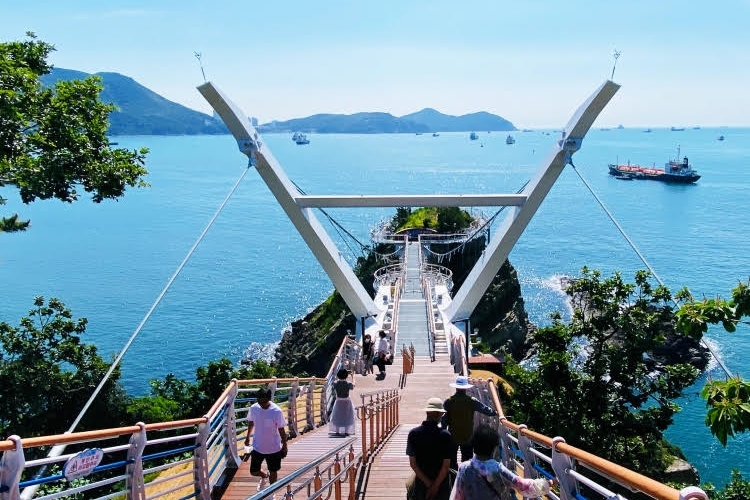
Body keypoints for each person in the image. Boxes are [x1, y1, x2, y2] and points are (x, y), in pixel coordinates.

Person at [449, 424, 553, 500]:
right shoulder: (498, 469)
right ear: (494, 448)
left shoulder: (464, 468)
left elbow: (457, 495)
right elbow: (523, 485)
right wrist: (550, 483)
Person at [442, 375, 498, 469]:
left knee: (452, 462)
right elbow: (486, 411)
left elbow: (444, 419)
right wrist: (496, 413)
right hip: (467, 435)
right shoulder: (471, 401)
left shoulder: (449, 401)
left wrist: (443, 432)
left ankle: (453, 479)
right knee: (467, 461)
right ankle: (465, 479)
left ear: (456, 387)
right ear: (466, 388)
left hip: (452, 435)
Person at [406, 397, 454, 500]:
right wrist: (435, 486)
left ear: (427, 413)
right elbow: (446, 467)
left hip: (421, 483)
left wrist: (428, 484)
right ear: (439, 414)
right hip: (441, 483)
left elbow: (413, 464)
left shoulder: (413, 434)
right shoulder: (445, 435)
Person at [244, 388, 288, 494]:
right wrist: (247, 437)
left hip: (274, 448)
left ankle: (271, 492)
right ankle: (264, 475)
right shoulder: (254, 408)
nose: (262, 404)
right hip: (257, 446)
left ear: (269, 399)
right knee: (253, 471)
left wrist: (284, 445)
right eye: (259, 401)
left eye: (264, 402)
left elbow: (281, 429)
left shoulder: (276, 411)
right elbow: (251, 422)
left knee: (274, 471)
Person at [329, 368, 356, 435]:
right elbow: (354, 385)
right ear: (346, 376)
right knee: (347, 415)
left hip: (338, 400)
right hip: (347, 401)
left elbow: (334, 384)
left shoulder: (335, 383)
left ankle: (337, 430)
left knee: (338, 414)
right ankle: (346, 430)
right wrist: (353, 376)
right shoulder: (348, 383)